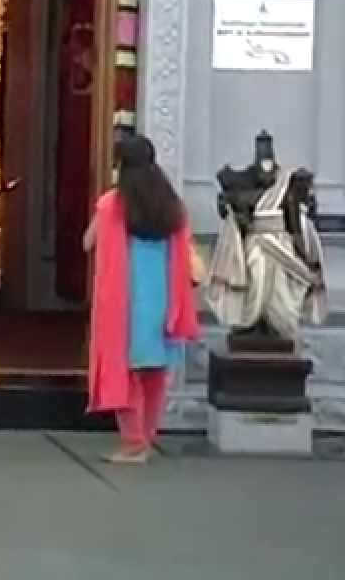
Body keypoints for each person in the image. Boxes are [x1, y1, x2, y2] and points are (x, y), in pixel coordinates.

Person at [84, 135, 200, 464]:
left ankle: (133, 443)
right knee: (154, 375)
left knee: (126, 374)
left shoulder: (112, 204)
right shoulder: (171, 205)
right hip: (164, 299)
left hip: (126, 301)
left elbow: (87, 242)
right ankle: (146, 439)